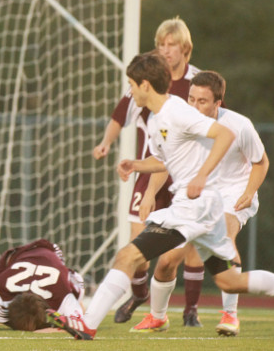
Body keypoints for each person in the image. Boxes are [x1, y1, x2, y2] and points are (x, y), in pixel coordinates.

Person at [47, 51, 274, 340]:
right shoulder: (157, 119)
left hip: (195, 207)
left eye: (131, 84)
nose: (129, 91)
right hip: (202, 208)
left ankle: (87, 323)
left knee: (127, 255)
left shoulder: (177, 111)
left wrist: (202, 176)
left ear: (145, 85)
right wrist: (136, 164)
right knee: (230, 282)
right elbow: (166, 160)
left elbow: (225, 135)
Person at [131, 70, 269, 336]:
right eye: (191, 99)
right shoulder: (180, 121)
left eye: (202, 101)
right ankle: (157, 317)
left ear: (218, 103)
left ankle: (230, 316)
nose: (194, 105)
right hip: (195, 198)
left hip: (232, 194)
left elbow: (261, 162)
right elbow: (163, 163)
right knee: (167, 260)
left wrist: (250, 191)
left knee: (225, 239)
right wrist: (148, 195)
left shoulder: (240, 126)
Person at [93, 17, 204, 326]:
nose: (165, 51)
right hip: (149, 171)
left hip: (184, 178)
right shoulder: (145, 82)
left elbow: (217, 126)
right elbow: (119, 115)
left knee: (174, 258)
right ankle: (139, 293)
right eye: (160, 45)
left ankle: (183, 311)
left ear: (185, 48)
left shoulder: (196, 83)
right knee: (136, 251)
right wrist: (105, 143)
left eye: (171, 45)